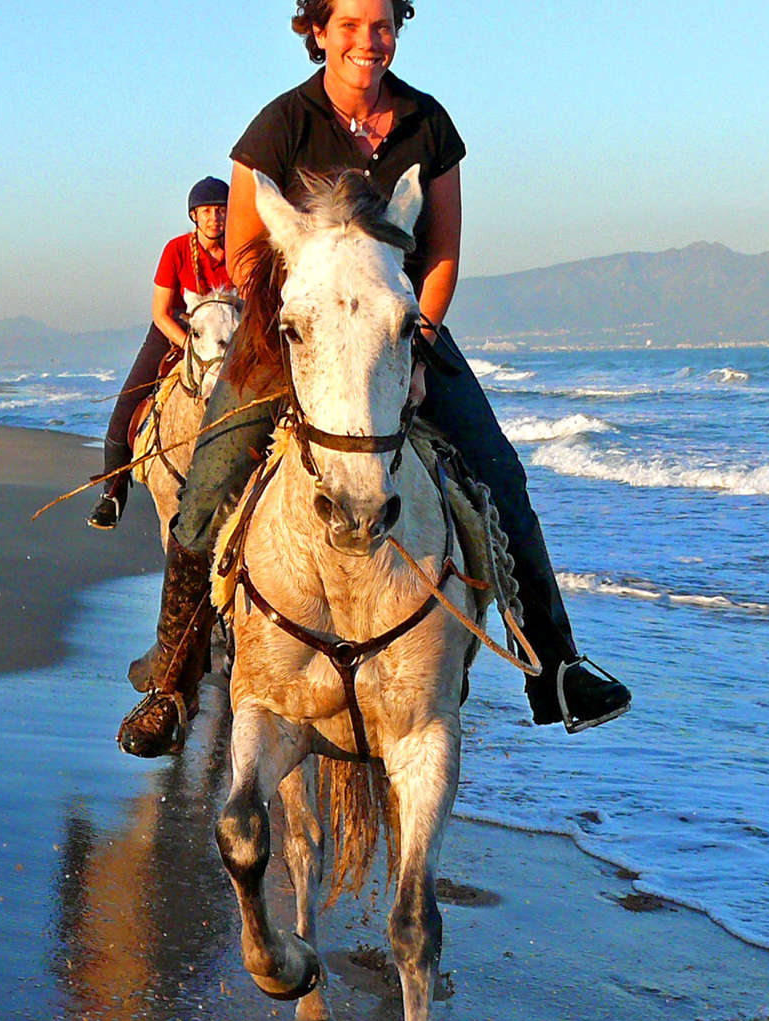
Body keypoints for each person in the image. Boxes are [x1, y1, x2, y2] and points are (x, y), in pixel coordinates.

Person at [118, 0, 631, 755]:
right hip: (286, 337)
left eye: (382, 24)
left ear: (398, 28)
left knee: (502, 479)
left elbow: (443, 253)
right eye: (350, 25)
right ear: (317, 31)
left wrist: (414, 345)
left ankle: (554, 668)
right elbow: (247, 258)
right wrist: (310, 334)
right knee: (205, 486)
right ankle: (172, 683)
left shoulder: (429, 125)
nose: (369, 40)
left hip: (400, 332)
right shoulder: (279, 127)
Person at [87, 177, 233, 530]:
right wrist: (188, 346)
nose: (215, 218)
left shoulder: (241, 251)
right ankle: (113, 492)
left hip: (227, 338)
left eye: (221, 210)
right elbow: (160, 312)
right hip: (175, 335)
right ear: (194, 216)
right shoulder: (177, 250)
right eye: (207, 211)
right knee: (126, 407)